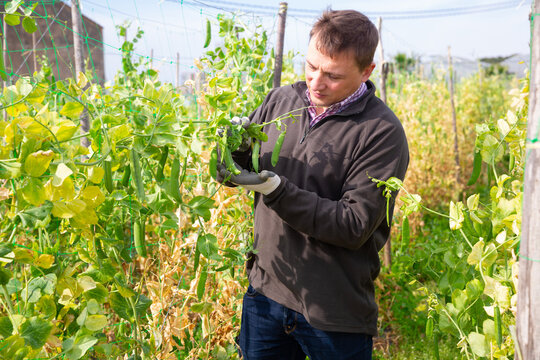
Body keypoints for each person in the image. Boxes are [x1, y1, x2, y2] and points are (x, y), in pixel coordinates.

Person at [217, 9, 409, 360]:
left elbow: (353, 225)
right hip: (266, 293)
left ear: (367, 72)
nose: (316, 83)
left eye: (333, 75)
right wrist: (234, 151)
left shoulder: (381, 133)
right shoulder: (281, 101)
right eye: (311, 66)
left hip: (334, 310)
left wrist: (278, 192)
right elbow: (231, 174)